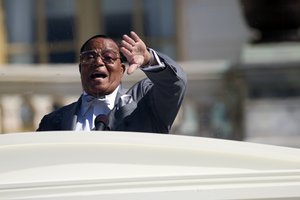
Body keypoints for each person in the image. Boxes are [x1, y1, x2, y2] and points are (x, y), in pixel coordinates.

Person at [37, 31, 187, 133]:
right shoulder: (53, 122)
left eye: (108, 57)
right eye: (89, 57)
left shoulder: (144, 103)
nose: (98, 62)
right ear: (80, 69)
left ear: (121, 70)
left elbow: (174, 84)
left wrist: (149, 59)